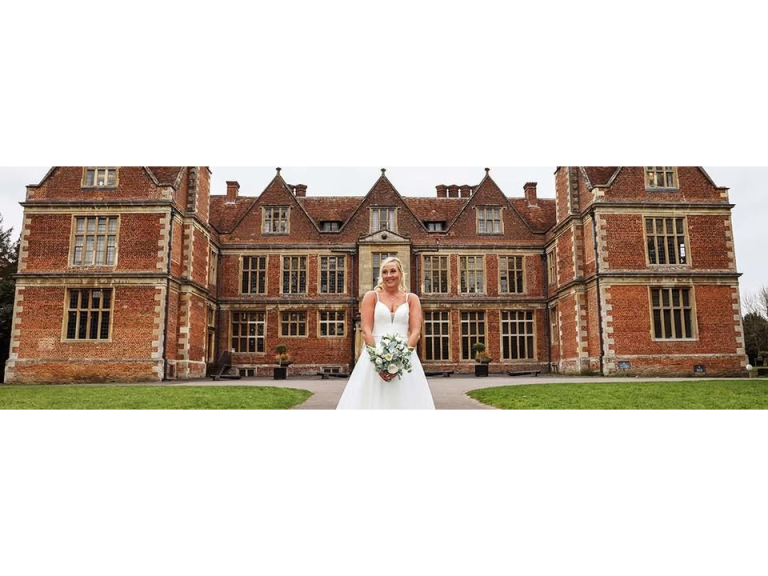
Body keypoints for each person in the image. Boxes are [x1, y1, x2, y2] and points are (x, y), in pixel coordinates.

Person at [336, 256, 436, 409]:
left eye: (393, 271)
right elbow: (366, 331)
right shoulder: (371, 297)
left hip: (405, 354)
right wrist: (379, 362)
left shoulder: (411, 299)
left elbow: (416, 332)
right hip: (374, 354)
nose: (389, 275)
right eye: (384, 272)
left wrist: (400, 361)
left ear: (401, 273)